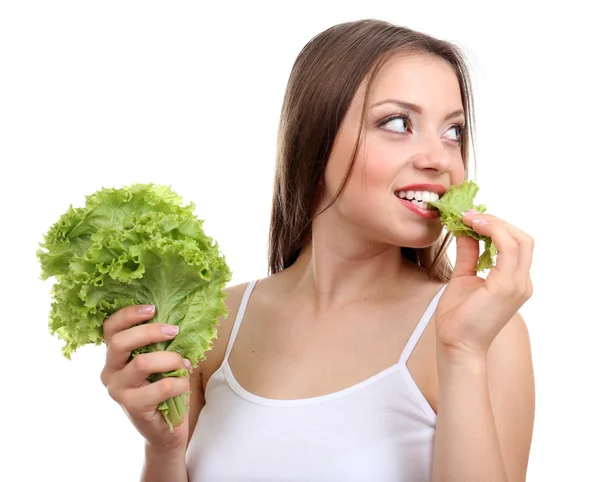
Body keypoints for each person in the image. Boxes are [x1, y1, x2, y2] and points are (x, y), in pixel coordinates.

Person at [100, 19, 535, 482]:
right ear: (316, 138)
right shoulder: (217, 321)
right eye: (397, 123)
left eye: (453, 132)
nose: (440, 158)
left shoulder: (481, 331)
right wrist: (163, 449)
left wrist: (463, 353)